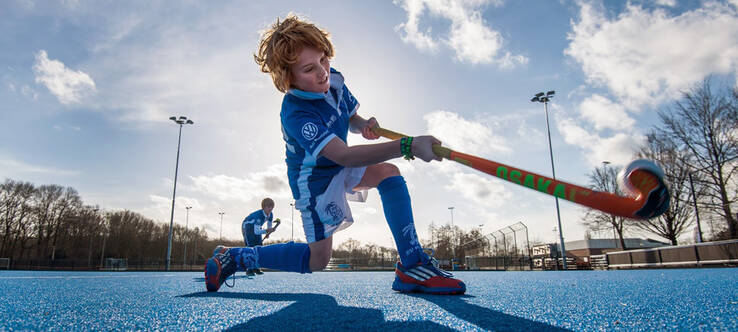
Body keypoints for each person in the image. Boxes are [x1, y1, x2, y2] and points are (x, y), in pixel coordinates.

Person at [204, 14, 465, 295]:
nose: (322, 73)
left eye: (323, 60)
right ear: (287, 78)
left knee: (389, 173)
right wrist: (408, 145)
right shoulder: (295, 112)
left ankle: (412, 267)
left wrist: (362, 125)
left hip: (338, 163)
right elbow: (345, 156)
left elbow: (350, 117)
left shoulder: (334, 79)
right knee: (319, 260)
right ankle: (235, 257)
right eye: (309, 69)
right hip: (315, 181)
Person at [241, 198, 278, 276]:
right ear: (263, 207)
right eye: (268, 207)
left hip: (256, 228)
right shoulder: (258, 215)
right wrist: (267, 231)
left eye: (272, 207)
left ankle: (256, 267)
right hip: (247, 227)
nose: (270, 209)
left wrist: (268, 233)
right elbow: (257, 232)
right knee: (250, 248)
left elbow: (269, 226)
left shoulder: (270, 214)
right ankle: (249, 269)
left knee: (259, 247)